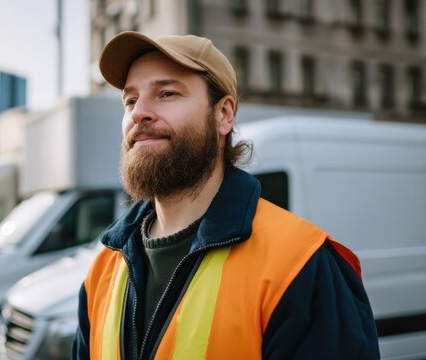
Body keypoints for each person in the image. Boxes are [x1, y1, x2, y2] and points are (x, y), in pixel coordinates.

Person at [72, 31, 380, 360]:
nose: (138, 113)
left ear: (224, 114)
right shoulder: (103, 269)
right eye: (130, 100)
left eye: (167, 93)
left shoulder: (300, 264)